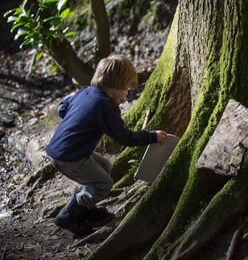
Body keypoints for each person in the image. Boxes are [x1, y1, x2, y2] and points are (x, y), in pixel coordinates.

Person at [46, 54, 167, 236]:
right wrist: (152, 136)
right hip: (70, 157)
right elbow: (125, 137)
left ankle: (85, 207)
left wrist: (77, 120)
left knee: (105, 166)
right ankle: (68, 215)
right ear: (116, 85)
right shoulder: (105, 106)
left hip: (61, 150)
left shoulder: (85, 92)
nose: (127, 94)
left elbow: (62, 107)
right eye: (126, 88)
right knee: (103, 184)